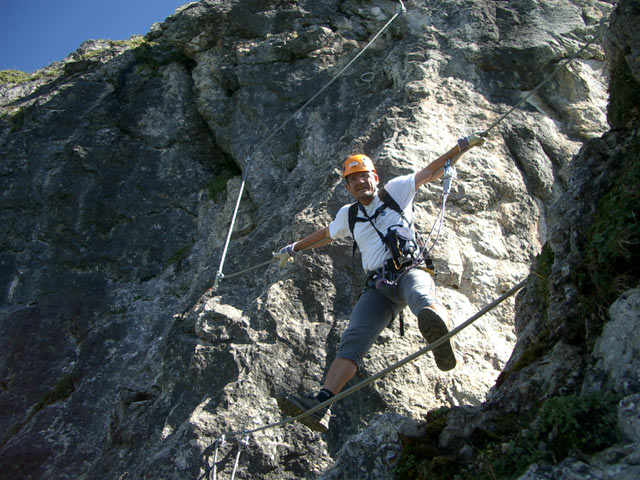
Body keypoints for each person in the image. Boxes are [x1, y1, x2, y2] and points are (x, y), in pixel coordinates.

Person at [274, 134, 485, 432]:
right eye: (354, 180)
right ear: (348, 187)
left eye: (364, 177)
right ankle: (321, 404)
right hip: (378, 287)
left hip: (410, 268)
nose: (360, 183)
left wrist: (459, 149)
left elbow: (431, 171)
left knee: (421, 296)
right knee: (352, 340)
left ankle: (440, 336)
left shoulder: (395, 191)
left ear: (375, 177)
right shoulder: (349, 215)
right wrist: (295, 248)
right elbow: (325, 235)